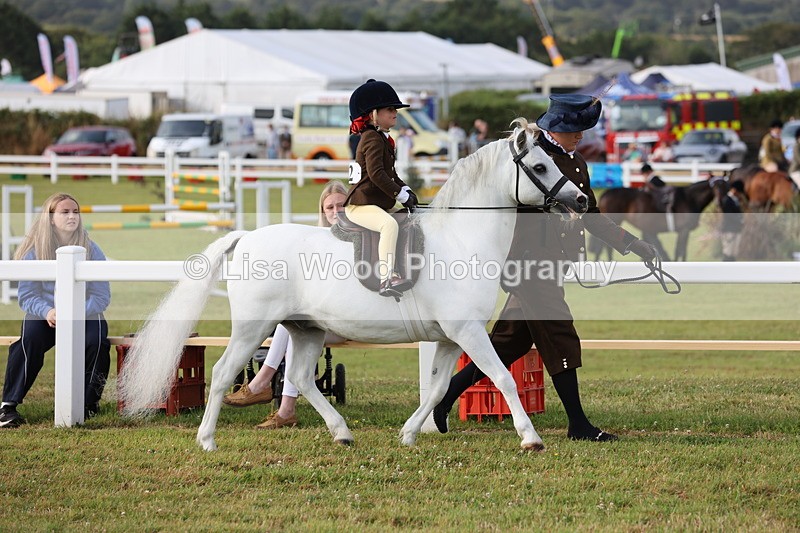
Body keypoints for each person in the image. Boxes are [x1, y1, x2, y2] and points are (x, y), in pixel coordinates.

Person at [432, 94, 658, 442]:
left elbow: (590, 215)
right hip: (527, 264)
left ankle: (445, 396)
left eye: (583, 130)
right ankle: (578, 425)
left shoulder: (577, 162)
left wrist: (631, 243)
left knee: (509, 343)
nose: (581, 136)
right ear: (555, 129)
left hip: (551, 265)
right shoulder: (532, 158)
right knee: (560, 335)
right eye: (574, 130)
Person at [223, 181, 348, 429]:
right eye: (330, 207)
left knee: (293, 323)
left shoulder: (354, 240)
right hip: (319, 320)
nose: (336, 211)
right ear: (323, 212)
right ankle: (280, 404)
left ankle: (265, 386)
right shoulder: (317, 243)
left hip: (345, 322)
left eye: (342, 205)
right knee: (290, 321)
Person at [0, 193, 111, 428]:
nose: (72, 216)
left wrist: (75, 312)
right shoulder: (34, 251)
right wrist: (49, 312)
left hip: (84, 313)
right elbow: (28, 296)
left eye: (75, 211)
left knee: (98, 341)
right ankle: (8, 407)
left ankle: (88, 404)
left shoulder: (91, 249)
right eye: (65, 212)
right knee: (28, 340)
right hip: (47, 315)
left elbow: (102, 296)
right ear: (50, 218)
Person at [343, 79, 418, 298]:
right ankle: (387, 278)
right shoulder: (372, 139)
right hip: (360, 205)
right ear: (372, 114)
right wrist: (400, 194)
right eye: (390, 109)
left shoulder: (382, 139)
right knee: (389, 225)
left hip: (375, 202)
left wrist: (407, 190)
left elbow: (391, 174)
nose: (395, 113)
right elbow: (376, 174)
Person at [718, 180, 744, 262]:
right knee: (728, 252)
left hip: (736, 228)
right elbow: (729, 215)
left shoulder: (735, 200)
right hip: (729, 229)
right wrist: (740, 220)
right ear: (734, 190)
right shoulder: (727, 200)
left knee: (734, 252)